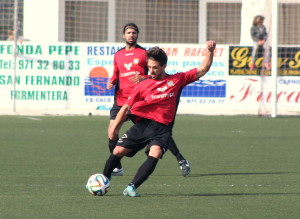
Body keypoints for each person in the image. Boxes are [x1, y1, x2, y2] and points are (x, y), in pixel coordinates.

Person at [102, 40, 216, 197]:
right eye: (149, 67)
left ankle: (131, 187)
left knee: (154, 153)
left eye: (154, 67)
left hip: (162, 128)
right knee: (118, 150)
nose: (151, 71)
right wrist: (115, 127)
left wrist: (210, 51)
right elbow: (126, 108)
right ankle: (104, 180)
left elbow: (203, 69)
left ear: (164, 66)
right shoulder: (142, 85)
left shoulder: (177, 80)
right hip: (143, 125)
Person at [106, 23, 191, 177]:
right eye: (129, 33)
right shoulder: (118, 55)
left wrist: (142, 77)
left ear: (137, 35)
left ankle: (180, 159)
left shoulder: (143, 53)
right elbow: (116, 73)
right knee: (111, 133)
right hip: (121, 101)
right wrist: (111, 81)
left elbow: (155, 75)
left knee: (158, 132)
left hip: (140, 102)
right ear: (123, 35)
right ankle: (117, 167)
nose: (131, 35)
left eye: (134, 33)